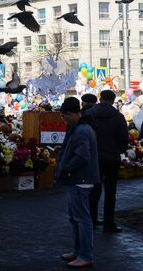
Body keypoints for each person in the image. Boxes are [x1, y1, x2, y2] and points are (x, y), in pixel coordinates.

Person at [55, 97, 99, 269]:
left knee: (82, 219)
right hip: (78, 178)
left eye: (64, 116)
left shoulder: (81, 130)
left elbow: (82, 156)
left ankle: (85, 255)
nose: (63, 119)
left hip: (80, 179)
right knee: (75, 217)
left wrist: (66, 169)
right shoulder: (79, 128)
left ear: (71, 113)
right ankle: (78, 251)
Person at [86, 90, 128, 234]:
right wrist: (120, 150)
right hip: (112, 157)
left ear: (100, 98)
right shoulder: (118, 116)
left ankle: (91, 219)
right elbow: (124, 138)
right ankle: (109, 223)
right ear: (113, 100)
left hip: (94, 157)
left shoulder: (90, 114)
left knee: (94, 190)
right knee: (111, 191)